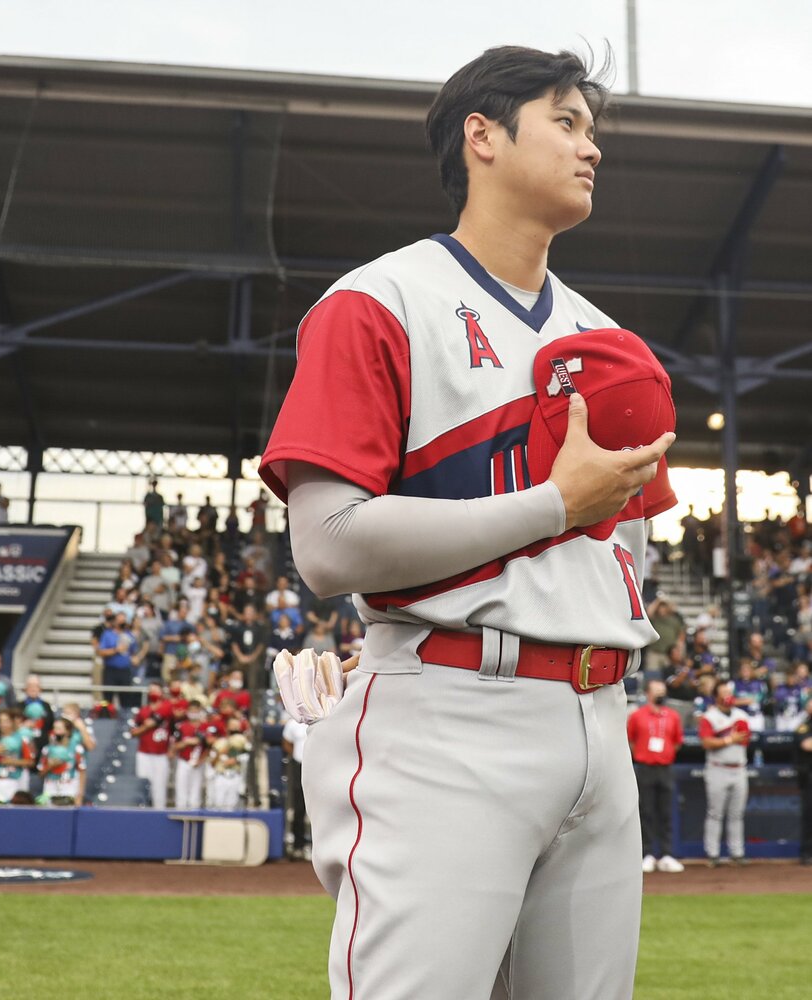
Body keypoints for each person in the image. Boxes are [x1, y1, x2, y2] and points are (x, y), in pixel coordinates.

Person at [257, 48, 677, 997]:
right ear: (481, 136)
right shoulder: (378, 300)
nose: (592, 148)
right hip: (448, 712)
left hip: (598, 713)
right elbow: (326, 545)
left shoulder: (610, 342)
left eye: (592, 129)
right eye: (565, 122)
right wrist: (550, 507)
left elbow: (624, 557)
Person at [627, 680, 684, 873]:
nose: (661, 693)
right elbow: (631, 740)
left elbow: (677, 742)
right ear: (648, 694)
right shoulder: (637, 716)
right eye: (657, 690)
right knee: (646, 812)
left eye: (663, 690)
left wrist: (664, 754)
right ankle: (648, 854)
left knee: (666, 812)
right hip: (645, 768)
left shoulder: (673, 716)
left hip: (665, 767)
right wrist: (644, 754)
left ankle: (667, 854)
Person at [700, 680, 752, 867]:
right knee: (715, 813)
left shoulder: (741, 715)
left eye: (729, 692)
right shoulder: (709, 716)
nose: (727, 695)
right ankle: (712, 854)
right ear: (716, 696)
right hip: (717, 768)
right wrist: (730, 738)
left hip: (739, 768)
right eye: (723, 692)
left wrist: (731, 738)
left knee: (737, 814)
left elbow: (745, 740)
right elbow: (706, 742)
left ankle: (737, 853)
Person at [0, 708, 35, 804]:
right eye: (0, 721)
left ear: (12, 722)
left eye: (6, 721)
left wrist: (12, 761)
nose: (2, 724)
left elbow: (30, 761)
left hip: (12, 779)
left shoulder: (21, 739)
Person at [281, 713, 311, 860]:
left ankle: (314, 845)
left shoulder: (321, 720)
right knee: (299, 807)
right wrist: (296, 755)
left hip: (317, 767)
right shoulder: (293, 723)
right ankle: (298, 845)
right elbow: (287, 743)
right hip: (299, 766)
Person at [38, 717, 86, 804]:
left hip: (69, 787)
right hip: (51, 787)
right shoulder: (47, 749)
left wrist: (80, 795)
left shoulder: (77, 749)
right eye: (54, 728)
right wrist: (50, 766)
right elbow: (40, 774)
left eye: (59, 729)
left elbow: (82, 771)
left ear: (68, 731)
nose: (55, 732)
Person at [795, 709, 812, 866]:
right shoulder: (805, 725)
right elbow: (807, 744)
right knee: (809, 816)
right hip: (809, 776)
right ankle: (807, 853)